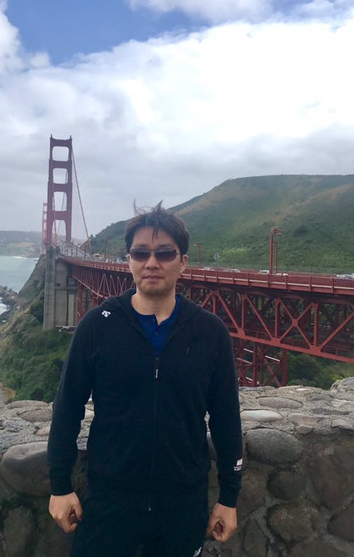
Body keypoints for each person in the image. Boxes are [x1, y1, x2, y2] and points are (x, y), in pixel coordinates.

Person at [47, 203, 243, 557]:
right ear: (129, 261)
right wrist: (60, 485)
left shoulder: (210, 332)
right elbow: (67, 409)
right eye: (141, 253)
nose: (152, 262)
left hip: (182, 506)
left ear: (183, 262)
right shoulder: (97, 325)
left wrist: (229, 498)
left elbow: (227, 420)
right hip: (110, 502)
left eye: (164, 253)